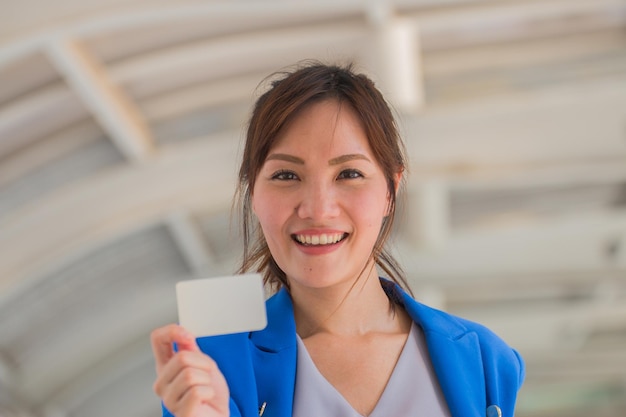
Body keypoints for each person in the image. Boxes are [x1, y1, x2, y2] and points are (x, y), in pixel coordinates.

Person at [150, 62, 525, 417]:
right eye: (285, 176)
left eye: (348, 173)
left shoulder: (483, 360)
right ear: (253, 194)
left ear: (391, 190)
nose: (317, 208)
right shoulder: (212, 366)